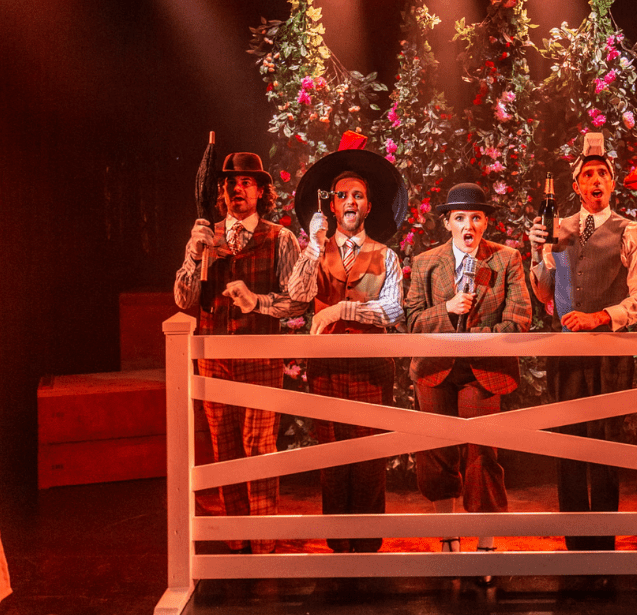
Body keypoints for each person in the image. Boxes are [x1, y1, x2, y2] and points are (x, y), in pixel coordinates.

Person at [527, 133, 637, 551]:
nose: (596, 180)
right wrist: (537, 255)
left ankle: (602, 547)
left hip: (608, 356)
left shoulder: (630, 231)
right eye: (588, 174)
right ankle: (575, 549)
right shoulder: (557, 229)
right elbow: (546, 294)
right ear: (577, 185)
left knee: (604, 446)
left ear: (612, 184)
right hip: (565, 355)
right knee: (568, 447)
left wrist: (601, 317)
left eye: (603, 173)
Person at [174, 151, 307, 554]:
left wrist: (259, 303)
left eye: (247, 182)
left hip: (261, 355)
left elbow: (298, 302)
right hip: (213, 357)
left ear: (262, 191)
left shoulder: (279, 237)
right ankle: (236, 536)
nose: (237, 188)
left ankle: (263, 539)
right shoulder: (205, 236)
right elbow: (183, 299)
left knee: (259, 446)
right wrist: (194, 254)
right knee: (225, 446)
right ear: (221, 191)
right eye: (230, 182)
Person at [287, 132, 407, 553]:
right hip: (327, 370)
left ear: (369, 205)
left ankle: (367, 549)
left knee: (369, 457)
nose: (351, 201)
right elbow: (297, 298)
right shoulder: (315, 252)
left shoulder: (385, 255)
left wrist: (342, 311)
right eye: (343, 195)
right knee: (333, 458)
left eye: (358, 194)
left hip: (372, 369)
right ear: (332, 205)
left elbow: (393, 310)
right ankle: (340, 548)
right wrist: (312, 244)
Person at [404, 183, 532, 554]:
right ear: (447, 223)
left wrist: (474, 335)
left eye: (475, 217)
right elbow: (412, 322)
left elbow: (519, 320)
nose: (468, 226)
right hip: (434, 366)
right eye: (459, 218)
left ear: (486, 221)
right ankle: (448, 536)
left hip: (483, 367)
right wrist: (447, 309)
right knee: (435, 449)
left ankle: (486, 544)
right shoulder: (428, 262)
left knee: (481, 452)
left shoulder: (506, 259)